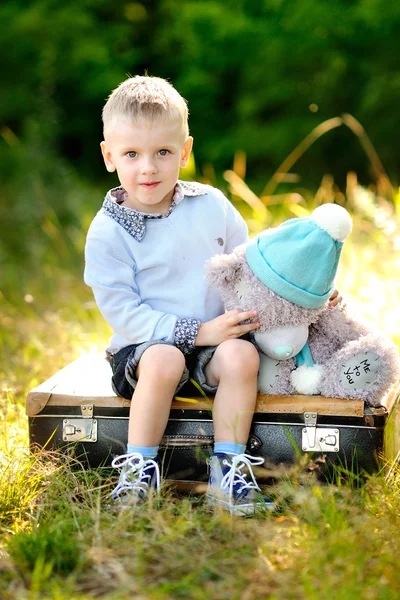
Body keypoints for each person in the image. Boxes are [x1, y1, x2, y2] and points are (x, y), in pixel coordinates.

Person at [84, 75, 341, 515]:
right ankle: (139, 472)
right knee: (165, 359)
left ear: (184, 151)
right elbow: (124, 314)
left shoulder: (212, 206)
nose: (148, 168)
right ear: (110, 156)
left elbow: (250, 266)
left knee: (242, 358)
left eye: (163, 152)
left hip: (214, 348)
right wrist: (197, 331)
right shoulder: (107, 232)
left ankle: (229, 471)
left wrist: (301, 292)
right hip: (145, 353)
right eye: (132, 154)